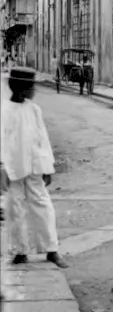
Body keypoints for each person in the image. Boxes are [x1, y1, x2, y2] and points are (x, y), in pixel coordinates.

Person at [0, 67, 68, 267]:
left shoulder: (34, 110)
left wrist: (48, 167)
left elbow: (42, 139)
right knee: (15, 208)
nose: (34, 91)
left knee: (43, 206)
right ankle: (20, 251)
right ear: (22, 89)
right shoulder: (4, 111)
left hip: (34, 166)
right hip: (11, 169)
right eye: (32, 87)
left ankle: (51, 249)